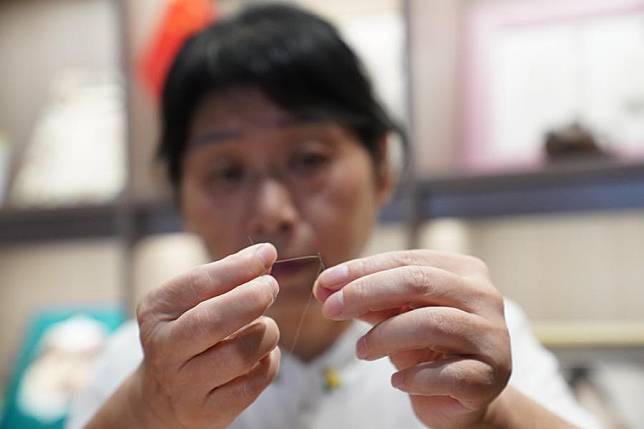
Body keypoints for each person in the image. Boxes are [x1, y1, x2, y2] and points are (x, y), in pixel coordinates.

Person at [67, 4, 601, 429]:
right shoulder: (139, 368)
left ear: (382, 168)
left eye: (309, 160)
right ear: (182, 198)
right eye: (227, 172)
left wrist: (489, 414)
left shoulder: (464, 331)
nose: (271, 213)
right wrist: (148, 412)